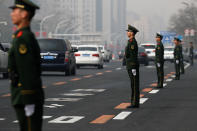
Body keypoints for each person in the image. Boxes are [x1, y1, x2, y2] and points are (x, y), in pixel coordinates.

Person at [8, 0, 44, 131]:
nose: (12, 14)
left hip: (26, 97)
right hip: (24, 96)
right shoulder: (21, 36)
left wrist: (28, 99)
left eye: (15, 10)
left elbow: (27, 70)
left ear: (24, 14)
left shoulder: (23, 38)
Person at [125, 25, 140, 108]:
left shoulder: (132, 42)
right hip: (130, 65)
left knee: (134, 84)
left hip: (132, 65)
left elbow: (133, 55)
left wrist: (133, 66)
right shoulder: (130, 41)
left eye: (128, 31)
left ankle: (135, 103)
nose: (127, 33)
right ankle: (133, 102)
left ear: (132, 33)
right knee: (133, 84)